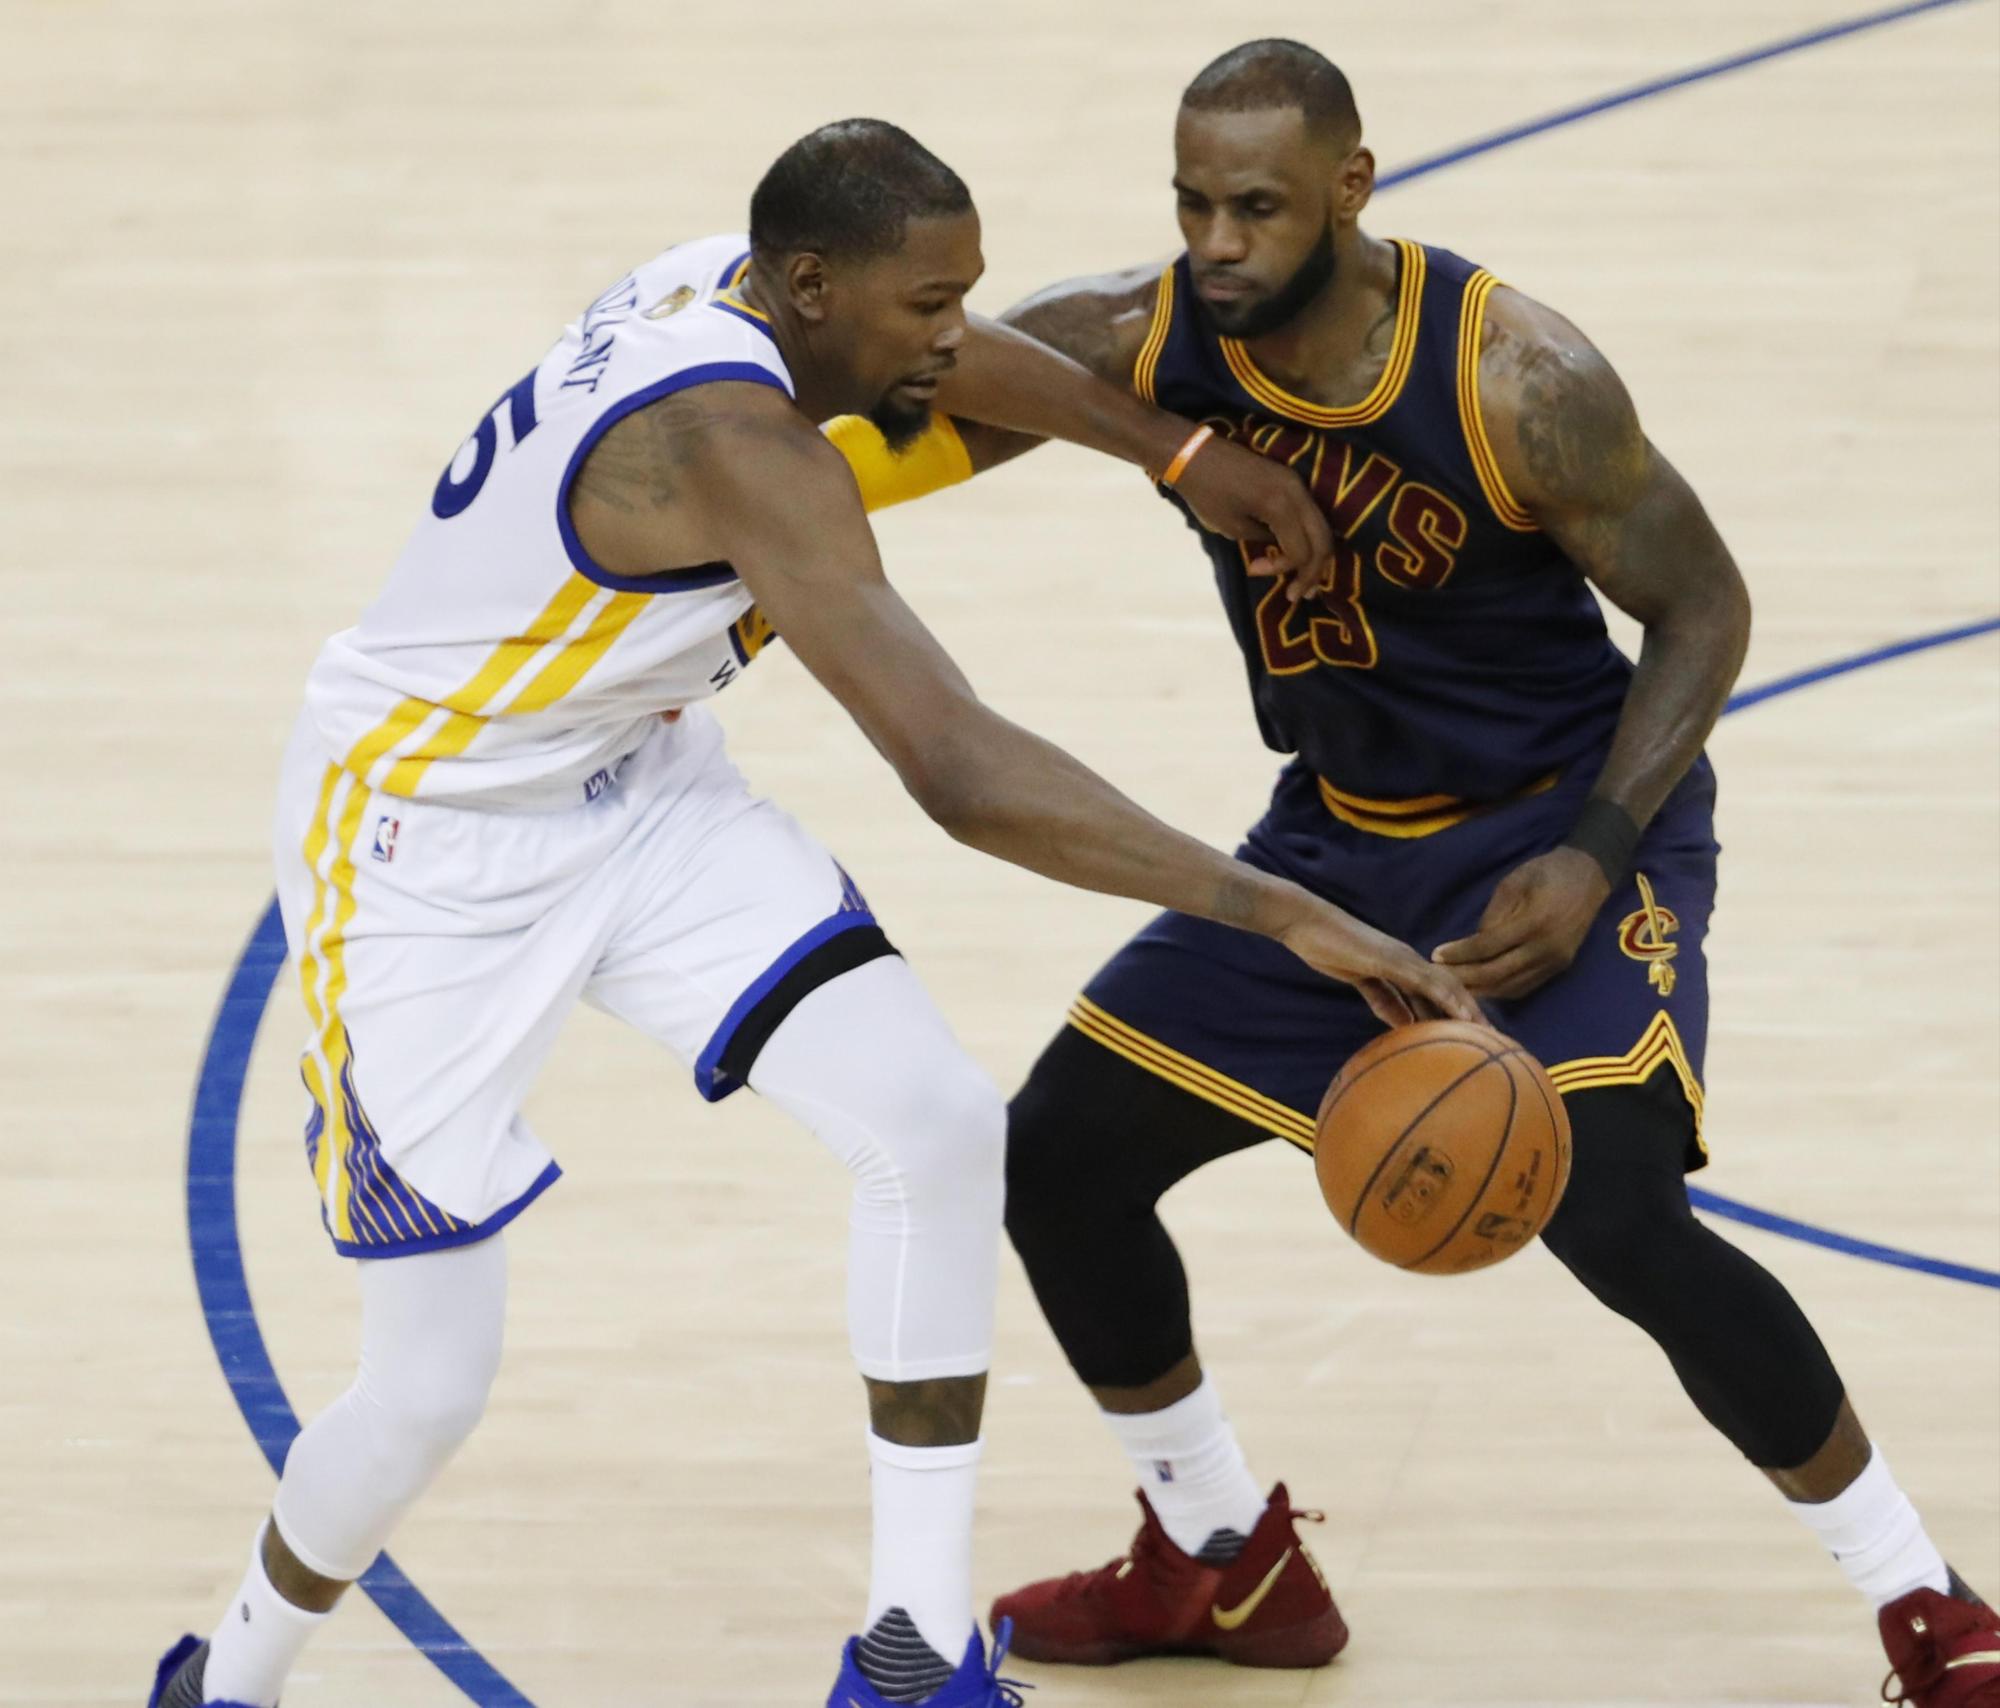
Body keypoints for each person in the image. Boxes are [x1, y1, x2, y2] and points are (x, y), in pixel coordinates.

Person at [145, 117, 1482, 1708]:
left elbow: (988, 363)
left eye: (959, 294)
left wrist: (1177, 454)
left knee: (933, 1123)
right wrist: (1279, 912)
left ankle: (910, 1661)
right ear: (809, 287)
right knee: (427, 1385)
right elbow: (961, 771)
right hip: (422, 850)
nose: (954, 336)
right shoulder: (737, 449)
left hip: (631, 786)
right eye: (926, 306)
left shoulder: (730, 283)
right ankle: (229, 1679)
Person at [824, 45, 2000, 1707]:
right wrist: (1167, 450)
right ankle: (1224, 1561)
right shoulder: (1156, 336)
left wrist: (1595, 855)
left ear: (1352, 189)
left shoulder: (1518, 377)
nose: (1216, 243)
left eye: (1256, 207)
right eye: (1192, 203)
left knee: (1612, 1209)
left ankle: (1934, 1607)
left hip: (1559, 828)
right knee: (1059, 1164)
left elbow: (1707, 607)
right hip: (1339, 842)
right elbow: (933, 373)